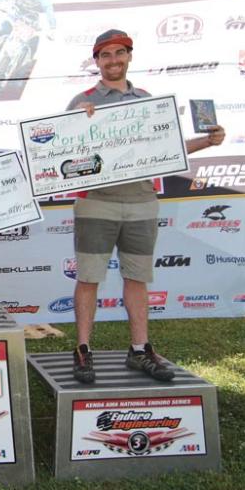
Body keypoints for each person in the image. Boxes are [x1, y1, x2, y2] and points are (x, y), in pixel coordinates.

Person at [67, 29, 225, 383]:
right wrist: (74, 123)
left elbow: (166, 152)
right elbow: (61, 155)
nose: (113, 61)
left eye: (119, 53)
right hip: (97, 203)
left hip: (141, 202)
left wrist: (206, 141)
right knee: (89, 277)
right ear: (96, 61)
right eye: (105, 55)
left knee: (137, 277)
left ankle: (140, 350)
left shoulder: (147, 99)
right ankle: (82, 350)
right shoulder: (83, 100)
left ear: (129, 56)